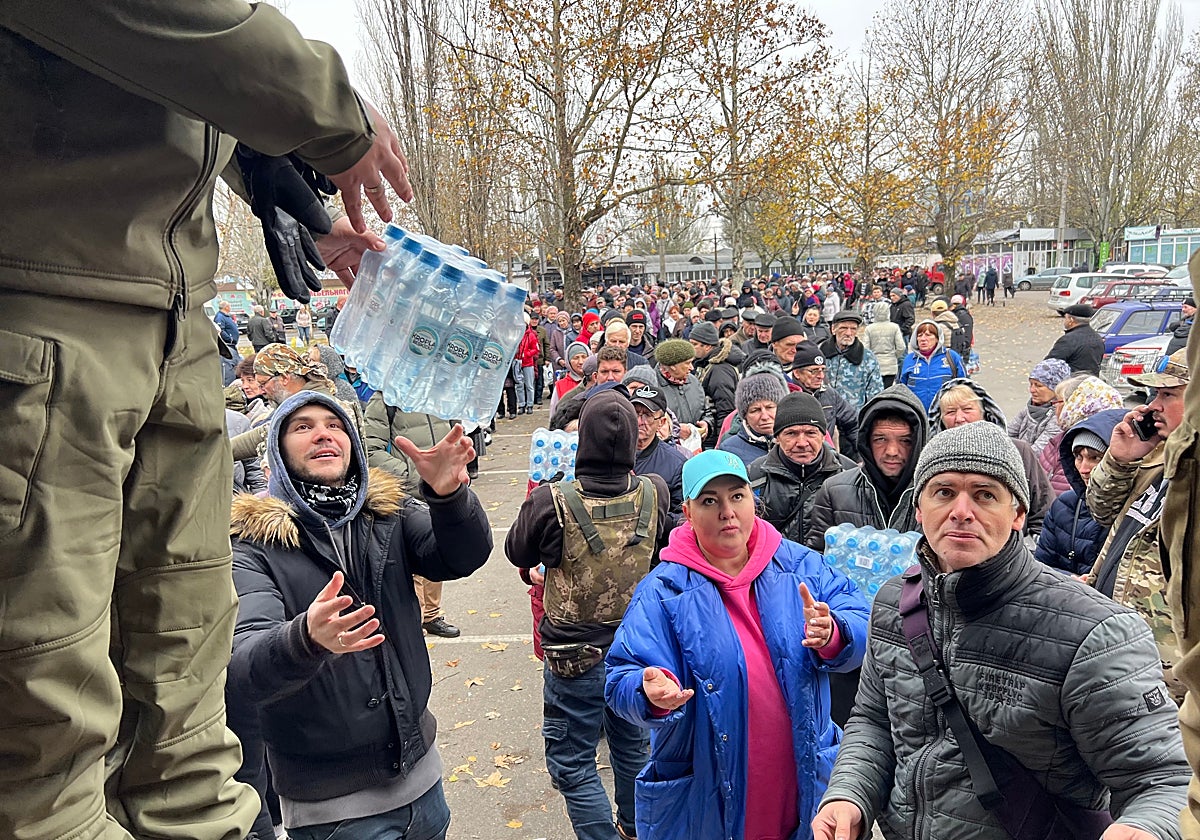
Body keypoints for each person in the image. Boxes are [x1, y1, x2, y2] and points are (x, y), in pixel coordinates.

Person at [1, 15, 405, 826]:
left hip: (174, 312)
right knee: (45, 740)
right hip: (45, 305)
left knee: (187, 723)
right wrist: (325, 114)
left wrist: (266, 171)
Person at [812, 422, 1190, 840]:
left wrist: (1146, 827)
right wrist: (849, 795)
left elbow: (1161, 779)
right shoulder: (893, 604)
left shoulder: (1095, 633)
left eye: (984, 494)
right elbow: (874, 721)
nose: (961, 511)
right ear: (919, 509)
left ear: (1018, 514)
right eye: (943, 492)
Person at [228, 392, 489, 838]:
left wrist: (449, 497)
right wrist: (304, 639)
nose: (323, 433)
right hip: (333, 811)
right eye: (302, 426)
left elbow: (460, 556)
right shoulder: (250, 546)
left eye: (334, 424)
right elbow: (242, 665)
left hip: (423, 782)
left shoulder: (385, 511)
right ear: (276, 453)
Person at [605, 450, 870, 840]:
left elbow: (861, 618)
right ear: (688, 512)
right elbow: (620, 677)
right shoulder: (663, 591)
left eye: (737, 496)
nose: (727, 511)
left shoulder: (799, 565)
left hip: (799, 784)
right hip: (705, 797)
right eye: (709, 501)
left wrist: (835, 634)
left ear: (753, 500)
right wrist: (646, 691)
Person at [506, 390, 671, 840]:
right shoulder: (654, 493)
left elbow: (516, 550)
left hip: (572, 656)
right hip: (635, 652)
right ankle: (637, 829)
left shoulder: (551, 500)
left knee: (573, 762)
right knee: (632, 747)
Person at [1086, 348, 1189, 702]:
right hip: (1116, 653)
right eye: (1155, 394)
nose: (1153, 405)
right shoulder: (1159, 460)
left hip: (1167, 683)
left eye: (1168, 394)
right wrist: (1120, 460)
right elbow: (1101, 513)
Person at [362, 391, 462, 638]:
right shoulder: (386, 396)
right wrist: (410, 474)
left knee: (439, 551)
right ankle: (413, 625)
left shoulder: (441, 390)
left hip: (440, 489)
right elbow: (370, 447)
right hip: (408, 492)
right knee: (414, 563)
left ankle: (432, 615)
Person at [929, 379, 1054, 540]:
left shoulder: (1018, 452)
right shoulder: (934, 460)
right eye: (950, 412)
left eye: (967, 409)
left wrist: (1026, 550)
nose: (959, 418)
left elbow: (1044, 512)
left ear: (985, 413)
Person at [747, 393, 856, 544]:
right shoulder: (754, 477)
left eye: (811, 433)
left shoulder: (850, 475)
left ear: (823, 435)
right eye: (791, 433)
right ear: (777, 437)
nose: (802, 443)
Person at [1035, 408, 1124, 576]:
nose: (1083, 469)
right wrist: (1071, 582)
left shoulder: (1137, 513)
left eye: (1095, 457)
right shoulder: (1064, 505)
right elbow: (1040, 569)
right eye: (1078, 457)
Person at [630, 383, 687, 523]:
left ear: (661, 422)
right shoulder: (610, 452)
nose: (639, 421)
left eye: (647, 416)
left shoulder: (676, 463)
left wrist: (647, 516)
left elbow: (682, 516)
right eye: (635, 413)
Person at [688, 321, 744, 446]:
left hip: (714, 438)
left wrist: (721, 442)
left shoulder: (719, 371)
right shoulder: (704, 364)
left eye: (695, 344)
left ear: (707, 346)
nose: (691, 348)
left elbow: (725, 409)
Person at [718, 371, 789, 466]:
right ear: (745, 416)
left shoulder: (796, 443)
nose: (764, 416)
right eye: (755, 410)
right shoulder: (729, 450)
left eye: (770, 407)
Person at [820, 310, 883, 414]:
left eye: (853, 329)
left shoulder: (868, 358)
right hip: (823, 418)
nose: (848, 333)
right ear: (833, 329)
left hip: (854, 420)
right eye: (843, 328)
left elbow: (875, 395)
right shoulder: (820, 353)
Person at [898, 320, 967, 413]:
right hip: (917, 415)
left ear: (937, 338)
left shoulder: (951, 357)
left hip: (945, 414)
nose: (923, 339)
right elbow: (900, 388)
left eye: (928, 335)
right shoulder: (909, 360)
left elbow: (965, 386)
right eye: (920, 335)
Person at [654, 339, 711, 446]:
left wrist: (707, 424)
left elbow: (706, 410)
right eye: (688, 363)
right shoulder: (653, 385)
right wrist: (675, 431)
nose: (691, 368)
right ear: (673, 365)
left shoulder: (693, 382)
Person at [1009, 358, 1070, 455]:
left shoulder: (1059, 416)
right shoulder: (1029, 408)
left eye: (1038, 385)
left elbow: (1036, 453)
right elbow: (1007, 434)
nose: (1032, 390)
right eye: (1031, 384)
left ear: (1056, 388)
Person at [1046, 303, 1105, 375]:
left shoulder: (1067, 340)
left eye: (1066, 318)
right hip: (1090, 382)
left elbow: (1049, 364)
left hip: (1071, 382)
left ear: (1071, 320)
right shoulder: (1098, 338)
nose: (1065, 321)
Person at [862, 303, 906, 388]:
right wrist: (894, 355)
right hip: (890, 365)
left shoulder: (869, 328)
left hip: (875, 365)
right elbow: (901, 347)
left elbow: (865, 348)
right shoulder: (894, 327)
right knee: (887, 390)